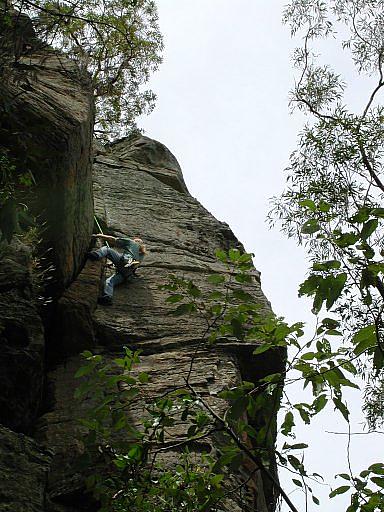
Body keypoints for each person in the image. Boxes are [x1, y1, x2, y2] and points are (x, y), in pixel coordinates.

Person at [88, 233, 146, 305]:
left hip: (124, 263)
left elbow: (113, 240)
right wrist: (112, 264)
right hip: (127, 274)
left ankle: (96, 255)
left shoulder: (132, 242)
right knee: (109, 281)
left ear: (136, 241)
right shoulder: (141, 255)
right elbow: (130, 264)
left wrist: (99, 236)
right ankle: (107, 298)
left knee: (107, 249)